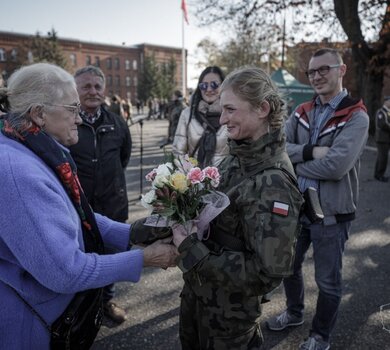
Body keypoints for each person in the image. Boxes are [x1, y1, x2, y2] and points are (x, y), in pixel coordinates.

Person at [0, 62, 178, 349]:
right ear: (39, 114)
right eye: (72, 109)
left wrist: (136, 233)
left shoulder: (31, 147)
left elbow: (74, 213)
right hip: (29, 330)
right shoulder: (17, 171)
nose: (80, 119)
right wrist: (145, 259)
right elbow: (66, 271)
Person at [171, 66, 304, 349]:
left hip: (228, 324)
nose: (222, 119)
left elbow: (265, 274)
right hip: (200, 302)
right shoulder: (238, 155)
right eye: (222, 109)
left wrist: (192, 252)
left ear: (262, 109)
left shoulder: (273, 181)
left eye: (230, 109)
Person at [266, 48, 369, 350]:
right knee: (288, 267)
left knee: (328, 282)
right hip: (297, 210)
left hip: (332, 215)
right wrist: (311, 152)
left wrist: (295, 161)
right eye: (312, 72)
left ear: (342, 70)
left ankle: (320, 337)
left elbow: (337, 166)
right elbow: (278, 149)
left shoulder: (356, 116)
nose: (317, 76)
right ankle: (295, 313)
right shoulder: (302, 111)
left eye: (324, 69)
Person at [69, 66, 132, 323]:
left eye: (97, 86)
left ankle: (106, 301)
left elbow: (123, 157)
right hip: (77, 209)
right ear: (75, 90)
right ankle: (80, 309)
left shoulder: (117, 123)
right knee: (79, 260)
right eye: (86, 86)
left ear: (104, 90)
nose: (92, 91)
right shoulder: (67, 122)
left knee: (109, 257)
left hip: (112, 205)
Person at [172, 66, 229, 167]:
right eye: (203, 85)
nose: (209, 89)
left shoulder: (231, 112)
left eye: (214, 84)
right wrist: (191, 179)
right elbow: (178, 152)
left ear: (223, 86)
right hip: (195, 179)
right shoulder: (187, 114)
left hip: (227, 179)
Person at [374, 96, 390, 182]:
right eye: (389, 101)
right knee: (383, 158)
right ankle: (380, 175)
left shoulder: (387, 112)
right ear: (386, 102)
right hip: (382, 139)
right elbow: (383, 124)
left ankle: (377, 174)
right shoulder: (381, 112)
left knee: (381, 157)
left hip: (386, 139)